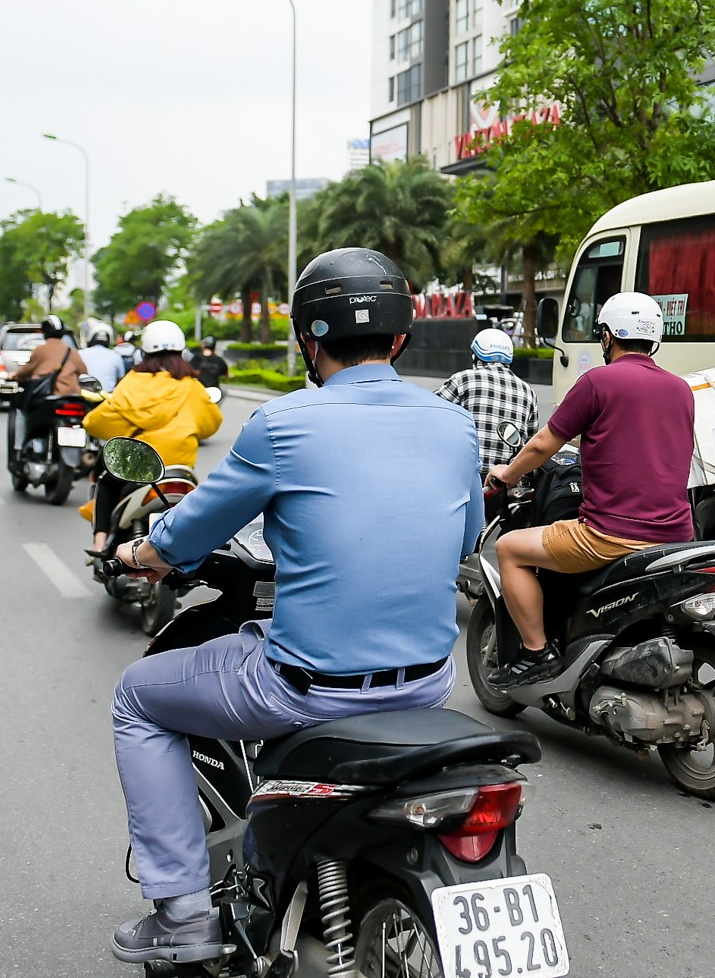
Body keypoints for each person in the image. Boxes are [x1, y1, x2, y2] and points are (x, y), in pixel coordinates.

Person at [103, 247, 481, 965]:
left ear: (309, 338)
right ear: (400, 337)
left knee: (136, 698)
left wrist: (135, 555)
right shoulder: (453, 423)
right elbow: (465, 536)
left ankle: (183, 910)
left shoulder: (282, 424)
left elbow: (185, 534)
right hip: (430, 682)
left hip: (305, 690)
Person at [485, 292, 694, 688]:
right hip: (677, 536)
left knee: (509, 548)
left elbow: (544, 444)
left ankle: (536, 653)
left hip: (608, 537)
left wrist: (507, 475)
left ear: (608, 337)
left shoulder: (598, 381)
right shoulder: (680, 389)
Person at [81, 320, 223, 556]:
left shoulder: (132, 383)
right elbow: (211, 424)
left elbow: (98, 422)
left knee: (106, 482)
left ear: (144, 352)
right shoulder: (191, 386)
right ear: (181, 352)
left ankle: (99, 541)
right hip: (179, 469)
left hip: (137, 467)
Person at [437, 327, 540, 490]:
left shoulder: (462, 380)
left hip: (462, 478)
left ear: (475, 356)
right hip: (505, 484)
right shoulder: (528, 392)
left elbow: (430, 415)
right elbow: (531, 442)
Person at [12, 316, 84, 459]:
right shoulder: (72, 352)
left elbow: (25, 371)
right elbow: (84, 372)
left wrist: (14, 376)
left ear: (44, 333)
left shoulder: (40, 350)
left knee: (21, 412)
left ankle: (19, 449)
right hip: (71, 398)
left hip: (46, 399)